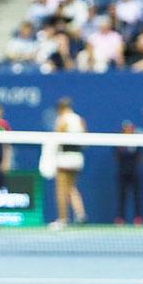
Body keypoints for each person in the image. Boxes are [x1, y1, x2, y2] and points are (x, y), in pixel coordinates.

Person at [49, 97, 87, 230]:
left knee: (60, 189)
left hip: (65, 158)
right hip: (77, 157)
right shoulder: (79, 119)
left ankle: (62, 219)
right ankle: (80, 214)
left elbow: (56, 139)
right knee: (71, 187)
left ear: (60, 108)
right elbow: (85, 139)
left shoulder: (62, 119)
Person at [114, 121, 143, 225]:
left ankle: (138, 218)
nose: (129, 130)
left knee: (137, 197)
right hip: (122, 173)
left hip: (134, 173)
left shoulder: (137, 142)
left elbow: (140, 157)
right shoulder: (119, 142)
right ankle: (120, 218)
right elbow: (116, 156)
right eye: (126, 128)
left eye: (130, 128)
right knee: (122, 197)